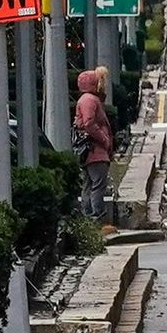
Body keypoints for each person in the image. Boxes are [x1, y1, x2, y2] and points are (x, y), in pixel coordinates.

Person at [72, 67, 117, 223]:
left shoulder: (87, 99)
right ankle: (96, 215)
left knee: (89, 184)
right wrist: (104, 139)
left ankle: (89, 216)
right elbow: (89, 123)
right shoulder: (90, 100)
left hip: (90, 151)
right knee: (97, 184)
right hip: (95, 151)